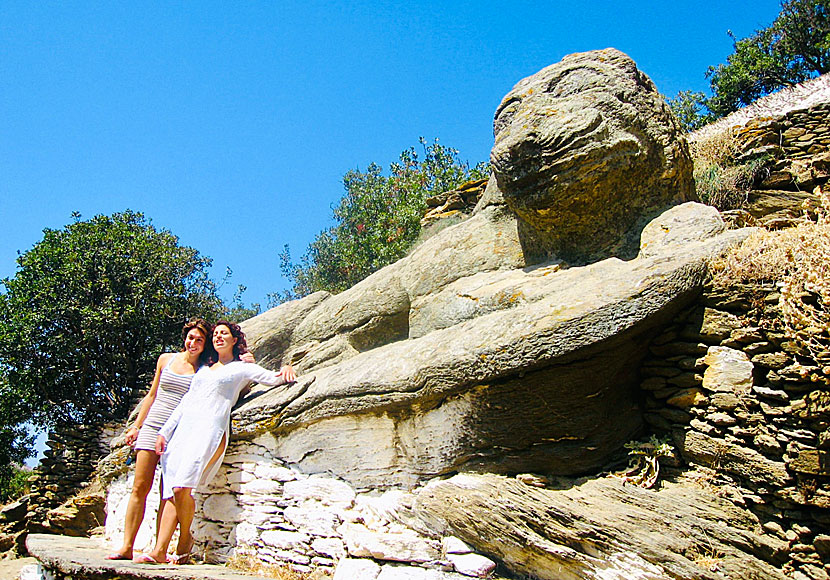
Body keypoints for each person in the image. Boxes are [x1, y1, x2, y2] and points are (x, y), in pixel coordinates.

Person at [137, 320, 296, 565]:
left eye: (225, 334)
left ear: (235, 340)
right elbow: (184, 404)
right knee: (170, 492)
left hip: (209, 429)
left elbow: (272, 378)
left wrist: (285, 367)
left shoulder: (242, 368)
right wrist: (164, 432)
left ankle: (185, 539)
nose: (219, 337)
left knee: (182, 488)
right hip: (182, 432)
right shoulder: (203, 370)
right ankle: (159, 551)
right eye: (216, 334)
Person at [106, 319, 255, 561]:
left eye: (199, 339)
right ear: (184, 338)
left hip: (182, 431)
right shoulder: (166, 359)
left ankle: (159, 550)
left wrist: (248, 359)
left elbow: (231, 380)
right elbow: (152, 394)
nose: (193, 342)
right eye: (190, 337)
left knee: (171, 492)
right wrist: (136, 426)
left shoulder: (205, 368)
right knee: (139, 487)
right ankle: (126, 546)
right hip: (154, 425)